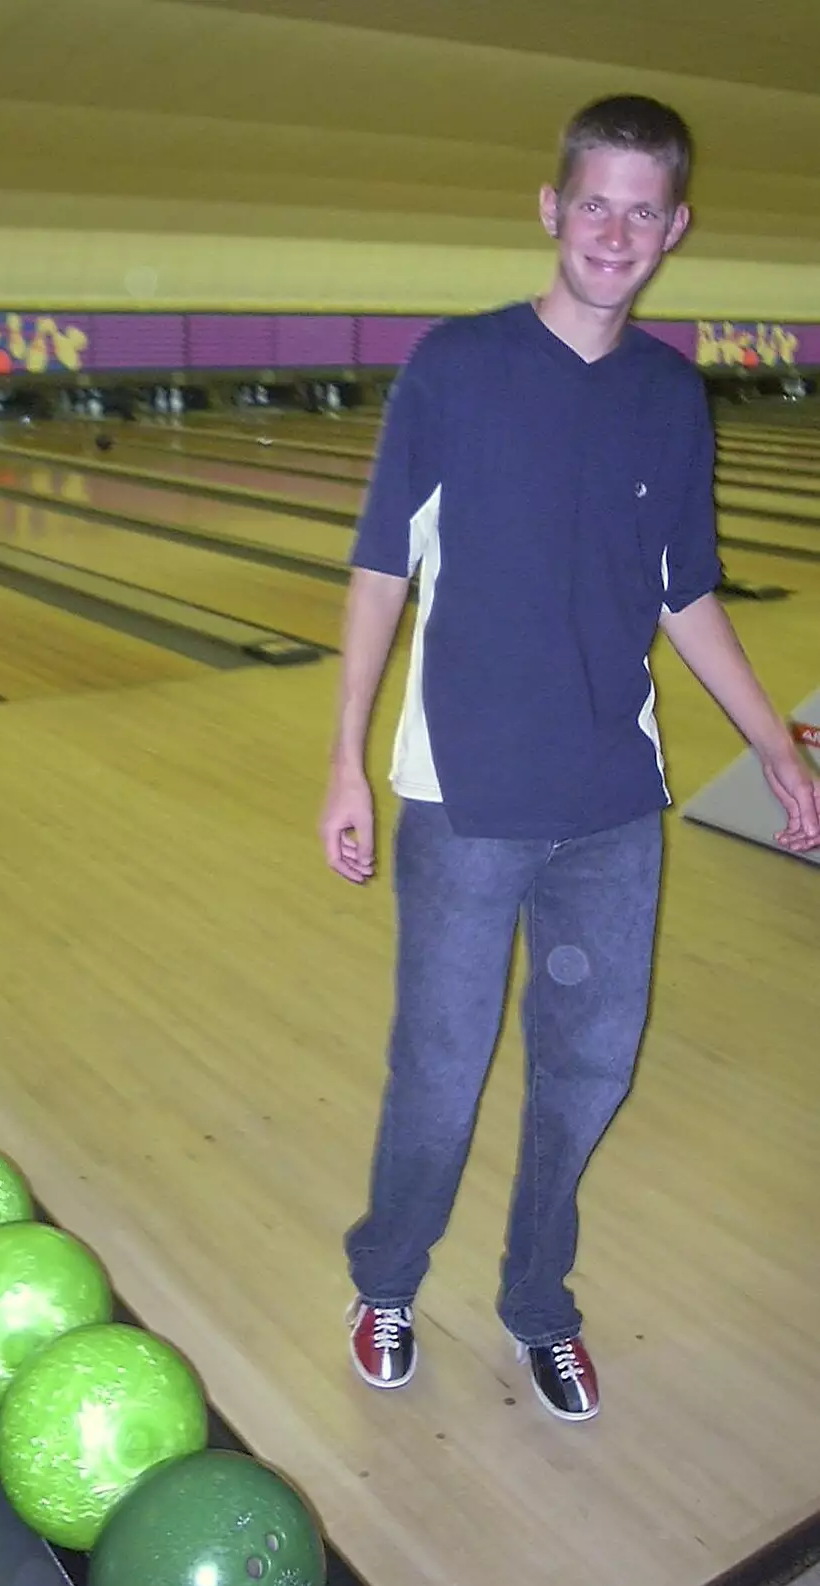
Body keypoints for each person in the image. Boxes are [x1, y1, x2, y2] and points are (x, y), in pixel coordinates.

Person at [319, 94, 820, 1424]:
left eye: (639, 210)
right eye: (589, 202)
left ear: (675, 229)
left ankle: (538, 1301)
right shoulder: (456, 366)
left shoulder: (668, 395)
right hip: (464, 800)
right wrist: (343, 763)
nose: (612, 230)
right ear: (549, 210)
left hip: (612, 804)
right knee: (438, 1073)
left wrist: (775, 744)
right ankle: (386, 1278)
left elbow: (685, 592)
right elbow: (378, 571)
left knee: (589, 1070)